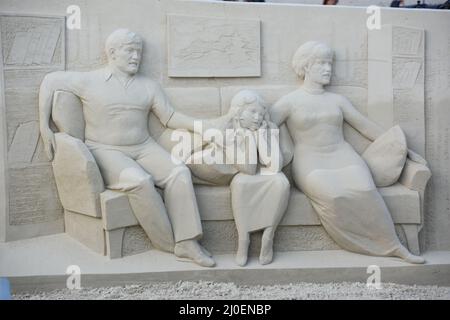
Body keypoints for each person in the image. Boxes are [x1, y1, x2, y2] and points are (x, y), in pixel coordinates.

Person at [39, 29, 215, 267]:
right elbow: (50, 81)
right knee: (139, 181)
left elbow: (170, 116)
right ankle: (166, 243)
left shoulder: (149, 86)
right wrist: (44, 126)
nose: (136, 57)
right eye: (130, 51)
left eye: (139, 52)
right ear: (112, 53)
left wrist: (201, 127)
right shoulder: (88, 80)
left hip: (144, 147)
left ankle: (187, 242)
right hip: (105, 150)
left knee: (180, 173)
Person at [270, 41, 426, 264]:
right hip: (310, 161)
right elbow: (263, 128)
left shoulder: (337, 100)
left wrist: (405, 149)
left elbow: (365, 126)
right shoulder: (289, 102)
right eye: (321, 64)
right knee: (333, 194)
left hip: (343, 155)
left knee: (366, 190)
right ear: (305, 67)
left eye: (329, 63)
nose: (328, 69)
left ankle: (394, 246)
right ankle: (357, 243)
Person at [187, 90, 290, 266]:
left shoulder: (269, 128)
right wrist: (250, 136)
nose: (258, 118)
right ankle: (244, 240)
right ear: (238, 113)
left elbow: (274, 166)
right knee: (240, 184)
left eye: (261, 113)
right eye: (252, 112)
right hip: (244, 174)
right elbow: (248, 168)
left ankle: (268, 237)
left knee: (281, 182)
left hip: (266, 173)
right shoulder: (228, 132)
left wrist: (262, 137)